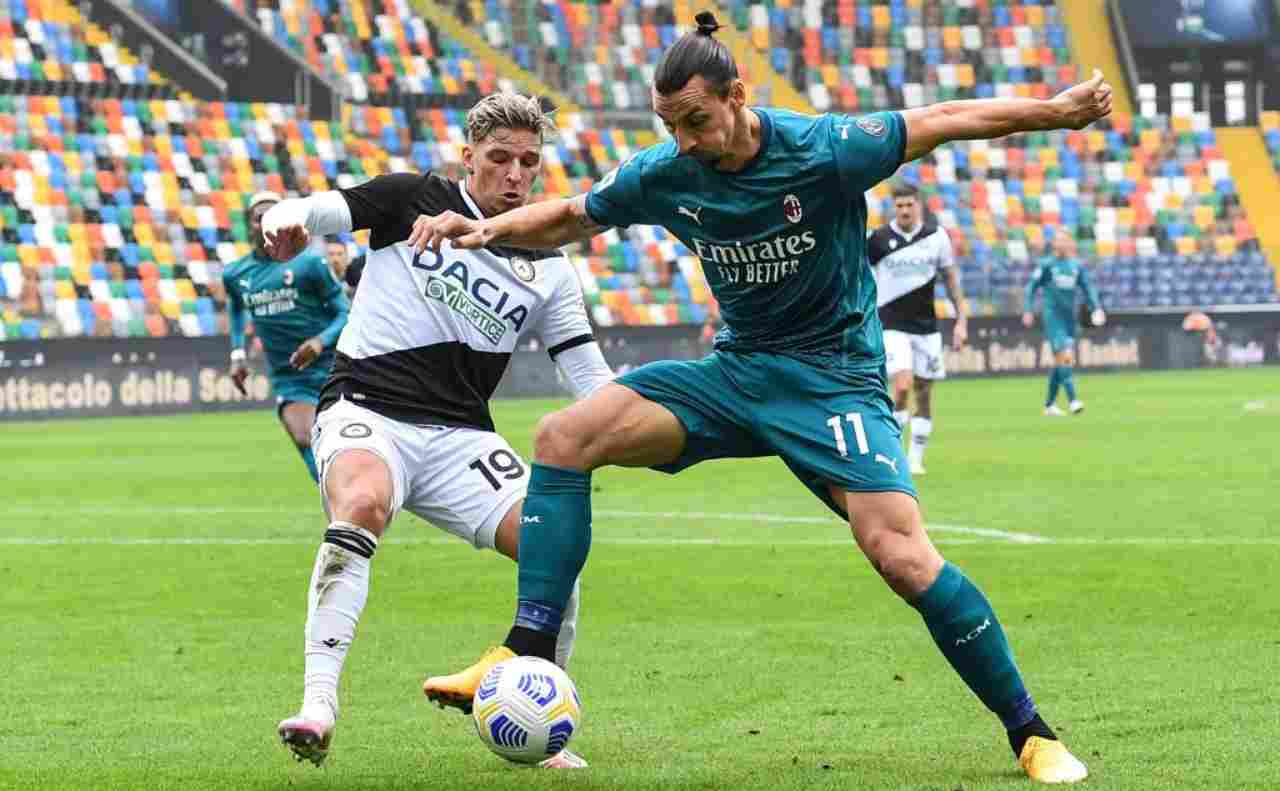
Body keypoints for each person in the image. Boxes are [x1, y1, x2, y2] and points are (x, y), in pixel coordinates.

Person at [412, 13, 1110, 784]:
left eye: (696, 121)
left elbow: (943, 120)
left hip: (832, 378)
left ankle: (1031, 731)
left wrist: (1058, 109)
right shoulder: (668, 171)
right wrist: (486, 232)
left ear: (737, 97)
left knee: (901, 555)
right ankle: (523, 653)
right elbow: (576, 215)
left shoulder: (822, 149)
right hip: (738, 373)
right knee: (563, 437)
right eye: (669, 124)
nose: (683, 140)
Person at [260, 92, 610, 770]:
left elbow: (589, 377)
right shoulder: (410, 198)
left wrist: (644, 413)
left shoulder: (549, 265)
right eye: (500, 158)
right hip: (368, 405)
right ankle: (319, 703)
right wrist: (286, 217)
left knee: (555, 550)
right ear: (468, 156)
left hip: (462, 438)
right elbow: (322, 209)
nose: (514, 174)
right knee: (361, 502)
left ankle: (533, 721)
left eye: (529, 163)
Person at [222, 192, 350, 481]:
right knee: (304, 435)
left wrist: (319, 342)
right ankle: (339, 496)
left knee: (344, 443)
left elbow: (346, 314)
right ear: (250, 225)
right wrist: (237, 355)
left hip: (336, 369)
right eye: (259, 218)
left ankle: (346, 497)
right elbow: (236, 309)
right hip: (291, 378)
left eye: (272, 216)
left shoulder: (310, 264)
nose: (266, 222)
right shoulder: (236, 274)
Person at [868, 182, 968, 475]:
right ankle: (894, 453)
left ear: (919, 205)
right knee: (901, 386)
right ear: (893, 208)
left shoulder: (937, 237)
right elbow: (860, 278)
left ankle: (915, 459)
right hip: (891, 325)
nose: (904, 210)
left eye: (909, 204)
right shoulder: (877, 239)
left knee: (924, 393)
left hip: (927, 327)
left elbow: (950, 279)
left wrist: (961, 320)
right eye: (899, 206)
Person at [1021, 234, 1104, 416]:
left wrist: (1096, 307)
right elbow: (1031, 288)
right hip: (1053, 318)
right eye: (1058, 241)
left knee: (1060, 361)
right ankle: (1073, 400)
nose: (1061, 244)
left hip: (1070, 320)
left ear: (1071, 244)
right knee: (1065, 357)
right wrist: (1027, 310)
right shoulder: (1047, 265)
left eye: (1065, 241)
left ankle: (1049, 405)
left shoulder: (1076, 266)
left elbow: (1088, 287)